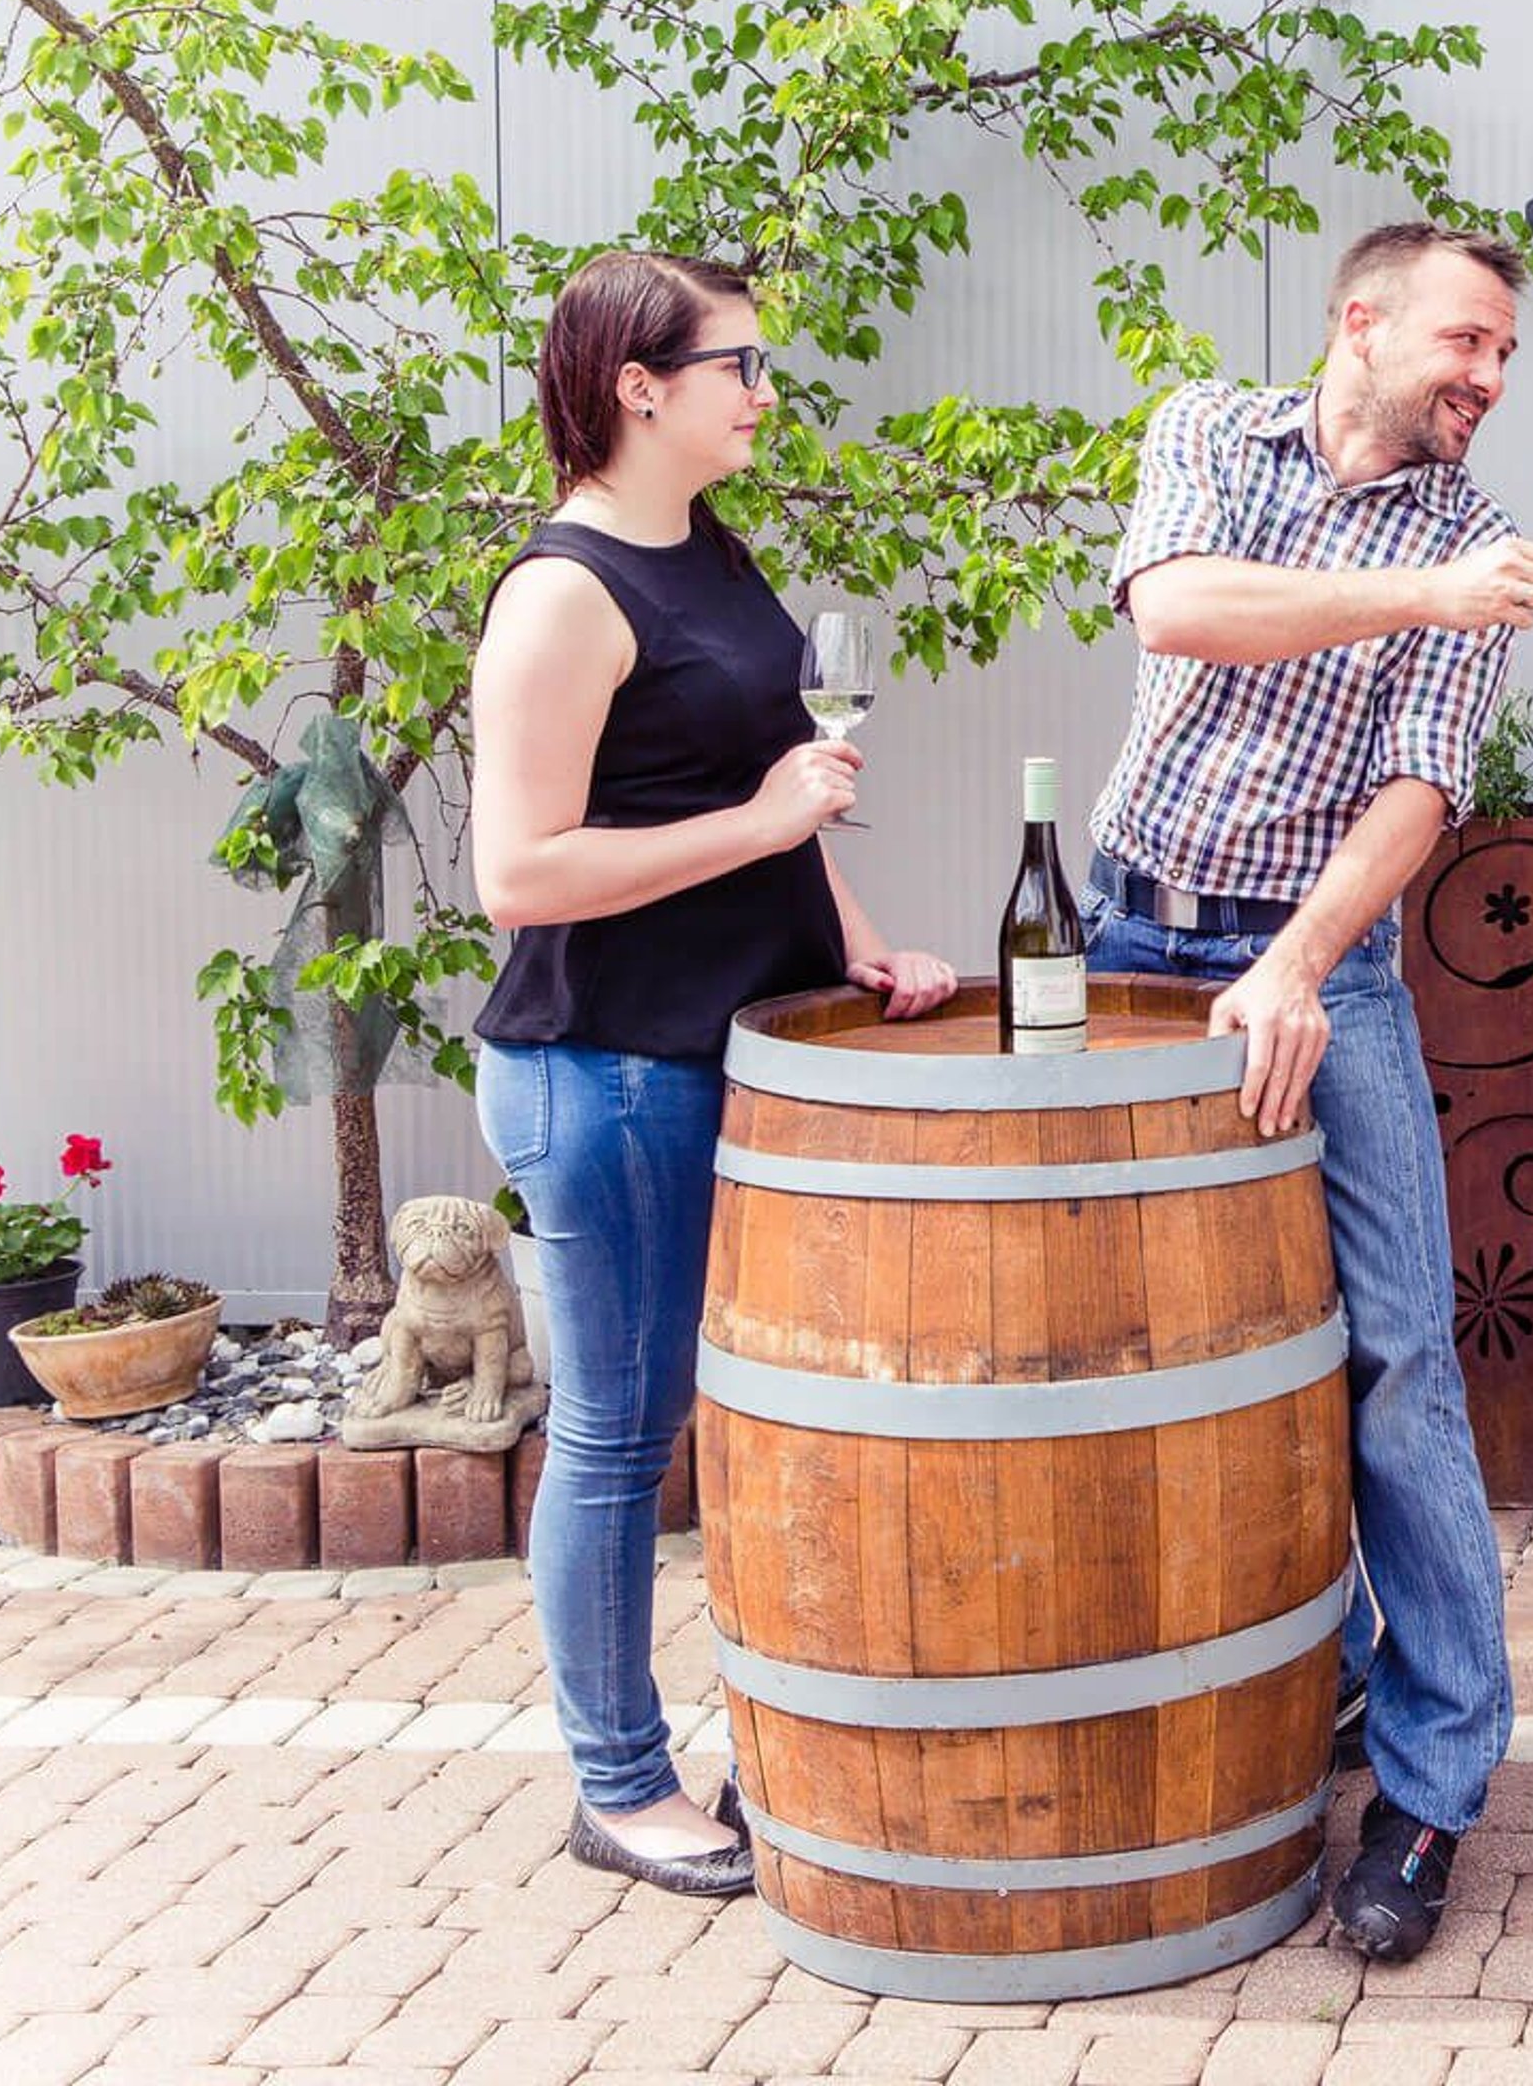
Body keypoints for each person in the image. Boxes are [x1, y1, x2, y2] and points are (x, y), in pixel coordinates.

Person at [1084, 220, 1533, 1958]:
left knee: (1395, 1358)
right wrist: (1419, 594)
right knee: (1133, 1345)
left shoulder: (1479, 539)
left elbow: (1418, 792)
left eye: (1506, 357)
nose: (1489, 381)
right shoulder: (1212, 434)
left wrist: (1292, 964)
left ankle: (1432, 1791)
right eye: (1466, 343)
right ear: (1359, 323)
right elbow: (1182, 609)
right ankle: (1315, 1678)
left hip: (1327, 959)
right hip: (1127, 933)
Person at [468, 251, 956, 1897]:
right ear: (638, 387)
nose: (764, 393)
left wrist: (864, 940)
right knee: (618, 1434)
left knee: (719, 1419)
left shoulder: (708, 550)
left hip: (731, 1053)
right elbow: (518, 873)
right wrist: (761, 826)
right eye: (740, 366)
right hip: (603, 1069)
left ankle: (749, 1744)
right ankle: (618, 1785)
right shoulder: (563, 594)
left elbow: (780, 798)